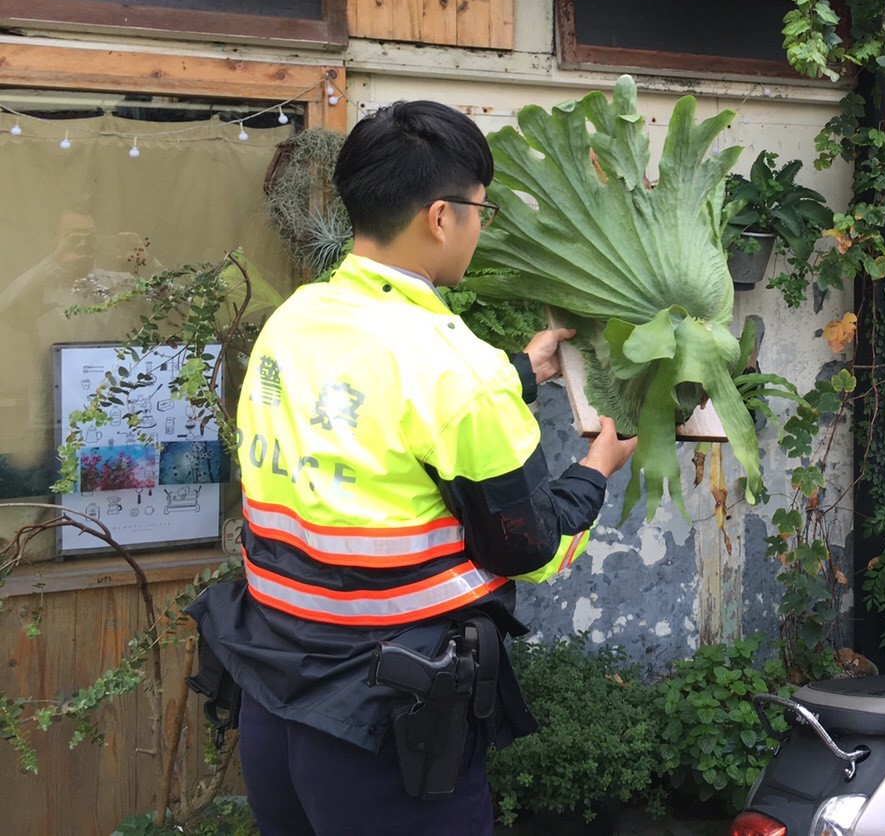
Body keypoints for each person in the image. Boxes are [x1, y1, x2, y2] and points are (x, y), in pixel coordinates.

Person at [187, 100, 636, 835]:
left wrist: (521, 371)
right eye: (480, 211)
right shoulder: (456, 367)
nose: (479, 227)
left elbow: (365, 417)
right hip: (385, 726)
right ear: (440, 216)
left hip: (273, 695)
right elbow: (533, 547)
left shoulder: (293, 322)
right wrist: (598, 464)